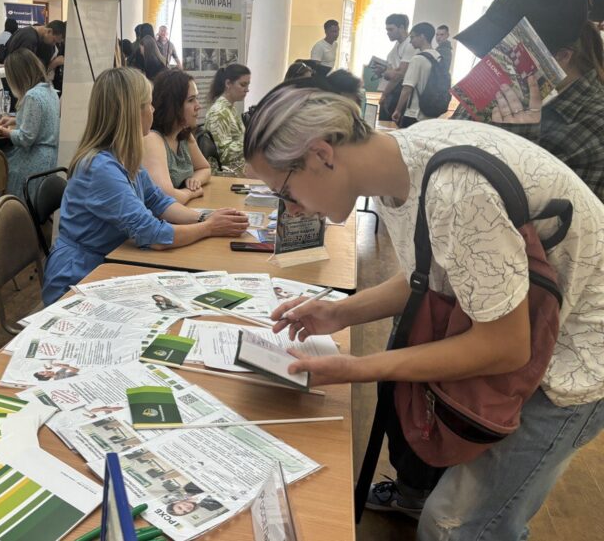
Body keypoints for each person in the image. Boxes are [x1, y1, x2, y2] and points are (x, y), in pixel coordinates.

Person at [243, 81, 604, 541]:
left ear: (321, 155)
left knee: (457, 526)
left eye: (285, 191)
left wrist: (359, 367)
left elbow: (506, 347)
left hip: (578, 356)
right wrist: (339, 314)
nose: (291, 208)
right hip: (542, 331)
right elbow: (433, 272)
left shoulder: (456, 190)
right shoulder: (403, 161)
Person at [41, 67, 248, 304]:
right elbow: (154, 235)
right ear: (132, 112)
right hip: (78, 277)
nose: (153, 110)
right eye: (148, 104)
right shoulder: (100, 168)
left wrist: (203, 218)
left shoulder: (123, 156)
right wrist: (209, 227)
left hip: (106, 262)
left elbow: (159, 202)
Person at [453, 0, 604, 202]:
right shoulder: (502, 83)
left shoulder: (594, 122)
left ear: (561, 57)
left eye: (507, 51)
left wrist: (518, 128)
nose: (492, 61)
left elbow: (530, 215)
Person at [0, 49, 60, 199]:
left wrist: (2, 131)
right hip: (49, 159)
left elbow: (25, 138)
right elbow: (42, 121)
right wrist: (16, 120)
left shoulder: (32, 96)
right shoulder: (50, 90)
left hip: (34, 160)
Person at [144, 69, 211, 204]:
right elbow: (166, 197)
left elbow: (205, 168)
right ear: (172, 104)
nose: (198, 106)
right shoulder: (153, 139)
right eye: (191, 100)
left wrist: (195, 180)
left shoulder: (183, 134)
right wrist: (191, 192)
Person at [204, 63, 251, 174]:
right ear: (228, 84)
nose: (247, 90)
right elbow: (224, 154)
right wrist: (253, 142)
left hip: (238, 169)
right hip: (227, 175)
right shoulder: (218, 112)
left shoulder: (230, 108)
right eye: (243, 85)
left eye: (248, 85)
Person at [392, 22, 441, 127]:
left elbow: (407, 89)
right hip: (431, 113)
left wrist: (397, 110)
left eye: (413, 37)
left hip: (414, 113)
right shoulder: (438, 57)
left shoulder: (417, 59)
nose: (410, 41)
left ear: (422, 36)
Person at [373, 13, 416, 122]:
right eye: (387, 30)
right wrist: (383, 71)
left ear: (401, 27)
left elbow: (398, 75)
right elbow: (392, 69)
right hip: (390, 89)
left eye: (391, 29)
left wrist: (384, 94)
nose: (388, 33)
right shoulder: (397, 44)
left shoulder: (410, 45)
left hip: (397, 91)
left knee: (389, 125)